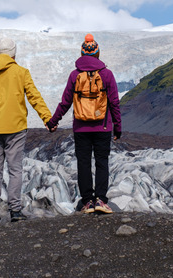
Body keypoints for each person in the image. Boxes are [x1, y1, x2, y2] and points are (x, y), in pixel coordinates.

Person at [0, 37, 52, 226]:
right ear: (14, 53)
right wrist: (47, 118)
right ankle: (15, 210)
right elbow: (34, 97)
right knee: (15, 169)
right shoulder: (21, 72)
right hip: (16, 128)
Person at [47, 33, 122, 214]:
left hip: (81, 127)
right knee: (102, 162)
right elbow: (114, 103)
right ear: (97, 53)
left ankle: (87, 201)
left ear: (82, 54)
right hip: (103, 127)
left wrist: (53, 121)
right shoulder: (107, 74)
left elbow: (65, 102)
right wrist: (117, 127)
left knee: (84, 163)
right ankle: (101, 201)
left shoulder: (75, 75)